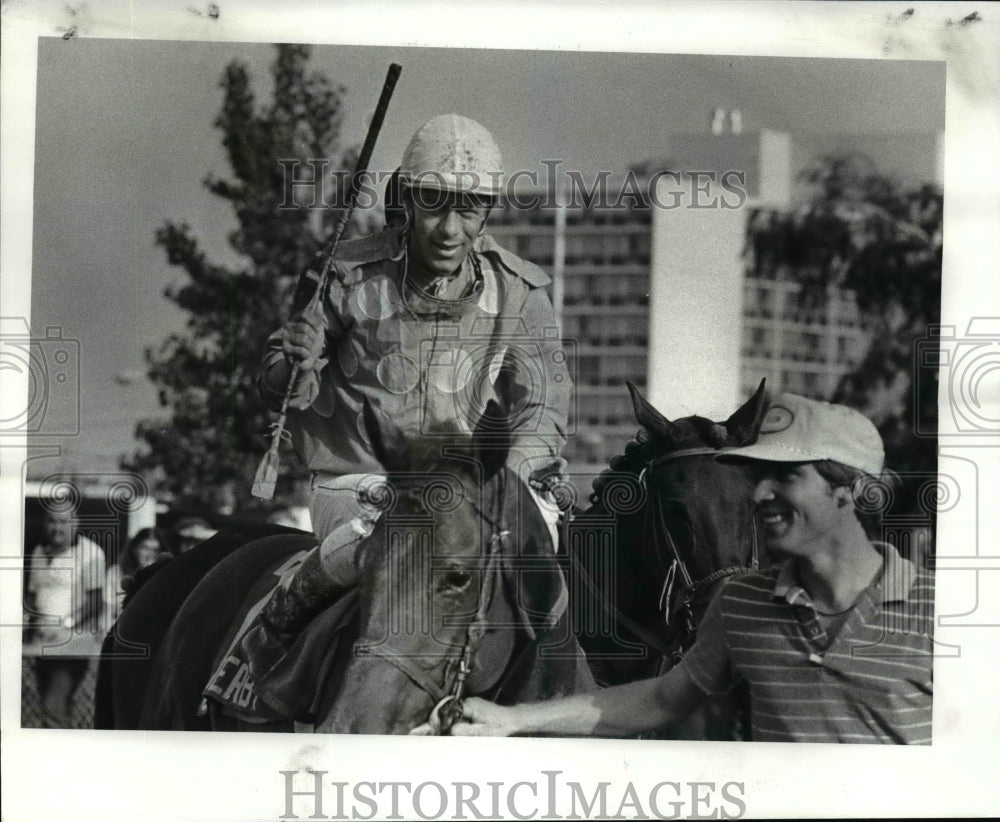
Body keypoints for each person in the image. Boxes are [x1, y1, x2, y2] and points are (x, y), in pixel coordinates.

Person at [450, 394, 934, 744]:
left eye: (786, 475)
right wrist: (512, 720)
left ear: (851, 492)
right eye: (758, 477)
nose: (761, 495)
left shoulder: (941, 612)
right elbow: (660, 701)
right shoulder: (741, 603)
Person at [250, 113, 571, 640]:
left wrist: (503, 483)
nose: (450, 230)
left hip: (475, 492)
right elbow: (276, 389)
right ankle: (274, 634)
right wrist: (295, 362)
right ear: (405, 198)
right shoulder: (340, 273)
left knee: (547, 555)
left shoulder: (523, 292)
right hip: (358, 487)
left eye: (468, 209)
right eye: (432, 205)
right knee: (403, 534)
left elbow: (544, 410)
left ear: (488, 210)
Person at [24, 504, 106, 727]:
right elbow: (33, 597)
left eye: (62, 521)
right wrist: (26, 627)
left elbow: (96, 602)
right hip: (41, 643)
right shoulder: (39, 552)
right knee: (52, 707)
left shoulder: (91, 553)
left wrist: (66, 624)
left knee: (52, 706)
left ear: (75, 523)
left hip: (73, 645)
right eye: (52, 521)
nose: (56, 527)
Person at [104, 527, 172, 623]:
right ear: (134, 549)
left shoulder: (166, 577)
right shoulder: (115, 573)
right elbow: (107, 613)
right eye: (145, 548)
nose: (150, 554)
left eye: (155, 550)